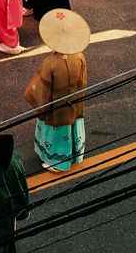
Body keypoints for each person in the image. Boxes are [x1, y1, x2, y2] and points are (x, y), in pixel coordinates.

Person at [23, 9, 88, 173]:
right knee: (72, 127)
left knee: (56, 134)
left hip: (56, 107)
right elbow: (83, 81)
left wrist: (41, 108)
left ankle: (56, 162)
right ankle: (75, 155)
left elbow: (41, 90)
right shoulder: (79, 55)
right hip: (74, 101)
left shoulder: (50, 62)